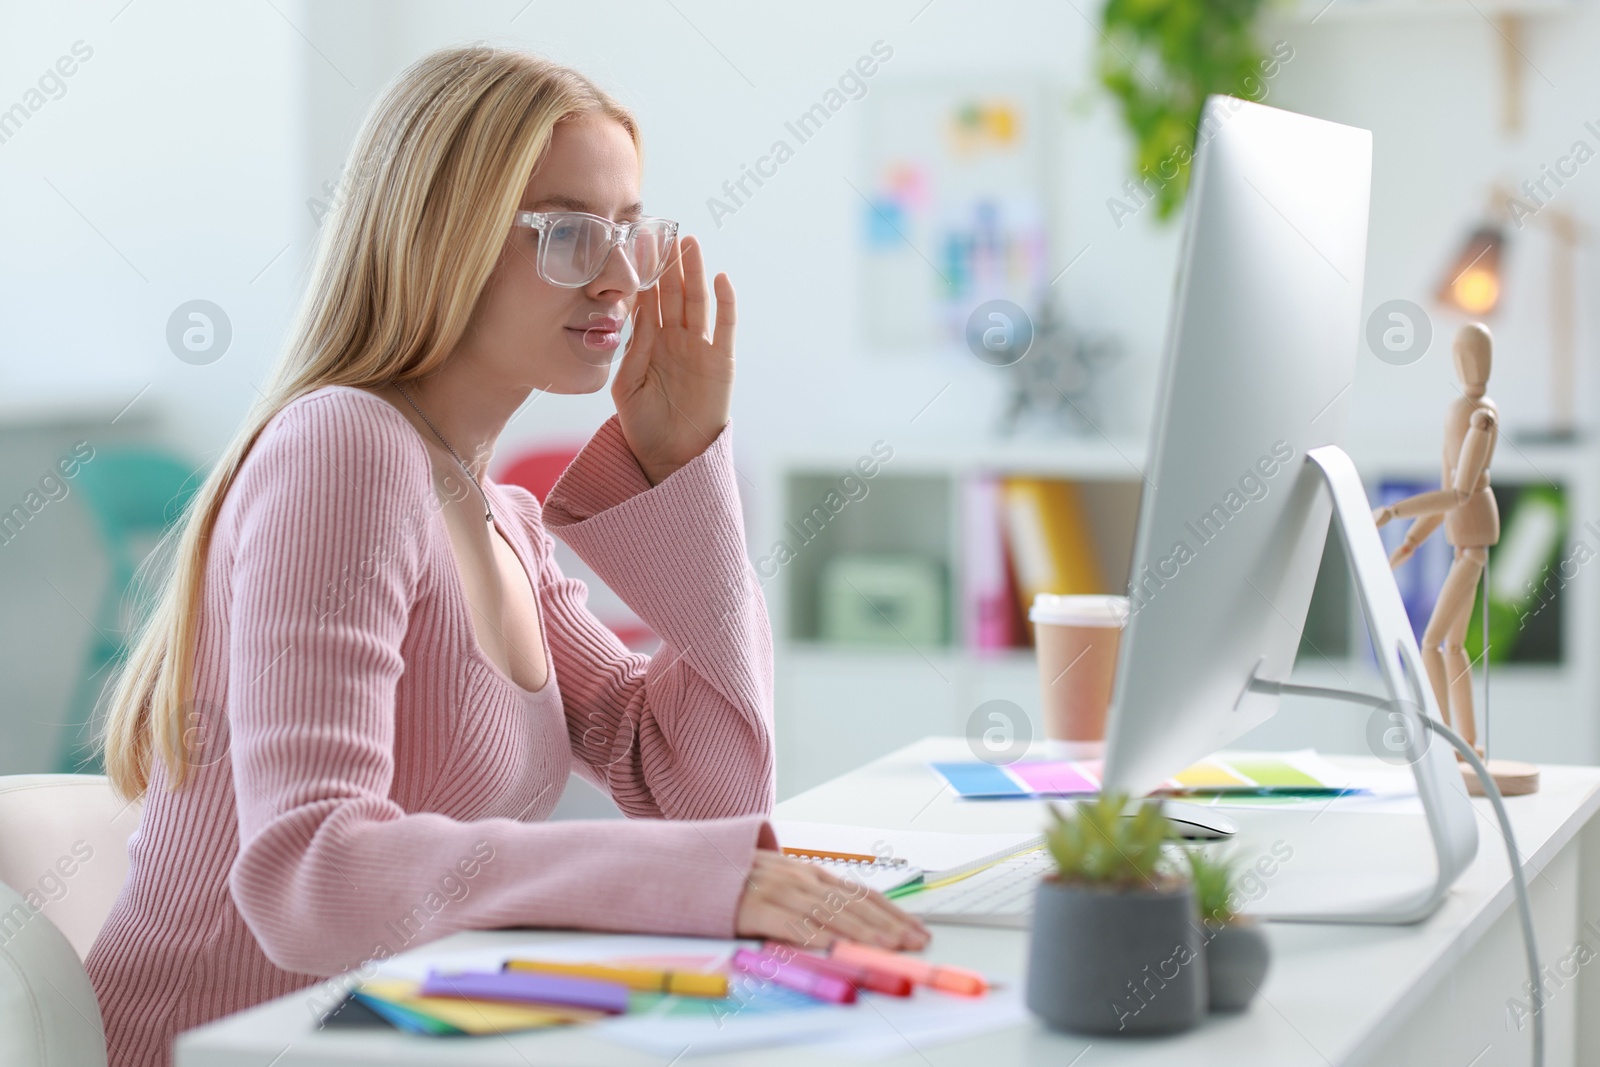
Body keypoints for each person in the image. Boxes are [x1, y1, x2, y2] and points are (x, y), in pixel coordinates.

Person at [86, 45, 927, 1067]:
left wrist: (683, 465)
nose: (621, 278)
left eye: (630, 233)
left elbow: (707, 794)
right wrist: (687, 878)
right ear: (442, 237)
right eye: (569, 233)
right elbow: (308, 871)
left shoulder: (501, 521)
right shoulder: (343, 446)